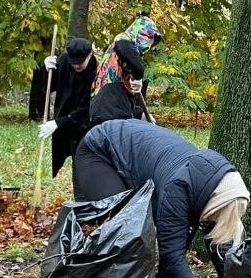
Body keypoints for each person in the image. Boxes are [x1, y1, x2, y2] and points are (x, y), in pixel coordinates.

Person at [74, 119, 249, 278]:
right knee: (118, 227)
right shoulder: (179, 188)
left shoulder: (216, 186)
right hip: (102, 149)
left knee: (168, 232)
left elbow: (219, 241)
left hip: (137, 152)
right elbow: (172, 254)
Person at [38, 37, 97, 177]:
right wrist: (47, 70)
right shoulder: (64, 61)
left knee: (81, 159)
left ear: (89, 55)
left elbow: (86, 108)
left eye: (80, 62)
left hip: (82, 123)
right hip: (63, 112)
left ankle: (82, 188)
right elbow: (48, 88)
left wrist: (58, 123)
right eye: (73, 62)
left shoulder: (96, 73)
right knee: (60, 150)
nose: (76, 66)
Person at [93, 15, 160, 97]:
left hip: (112, 97)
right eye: (146, 36)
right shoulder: (123, 39)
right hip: (107, 98)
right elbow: (129, 54)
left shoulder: (126, 53)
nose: (148, 44)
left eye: (151, 41)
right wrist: (138, 75)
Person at [89, 39, 151, 126]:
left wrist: (141, 114)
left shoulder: (123, 64)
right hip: (108, 113)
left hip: (106, 111)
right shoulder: (124, 43)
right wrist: (138, 75)